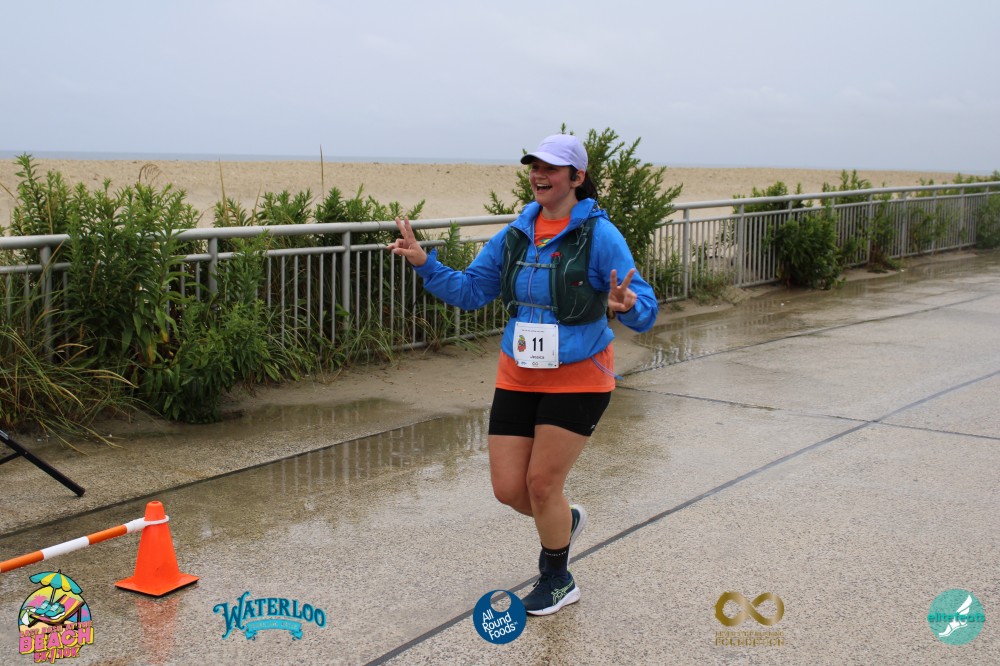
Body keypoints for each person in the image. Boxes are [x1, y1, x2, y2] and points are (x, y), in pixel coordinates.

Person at [387, 133, 658, 615]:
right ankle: (563, 522)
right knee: (509, 490)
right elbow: (472, 291)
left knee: (542, 485)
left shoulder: (599, 235)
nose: (539, 175)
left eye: (551, 168)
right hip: (518, 374)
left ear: (576, 177)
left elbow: (645, 309)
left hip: (579, 377)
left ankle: (557, 579)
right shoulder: (516, 234)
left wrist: (628, 305)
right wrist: (425, 264)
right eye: (534, 166)